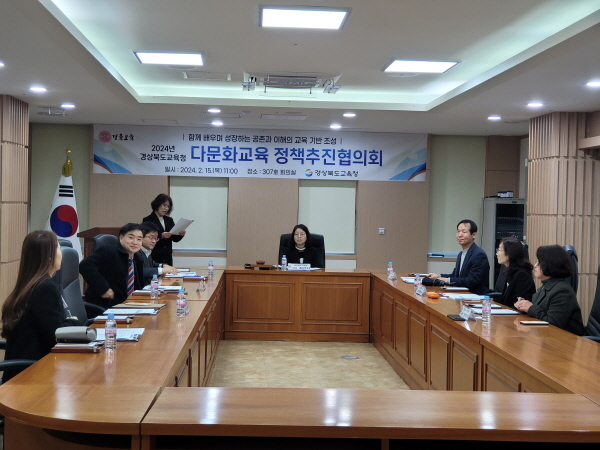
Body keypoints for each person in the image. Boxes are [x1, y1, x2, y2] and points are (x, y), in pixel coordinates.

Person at [1, 231, 78, 383]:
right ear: (49, 257)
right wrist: (72, 321)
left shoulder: (29, 284)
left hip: (22, 372)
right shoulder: (45, 288)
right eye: (58, 248)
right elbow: (55, 337)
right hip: (32, 375)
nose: (61, 254)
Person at [514, 245, 584, 335]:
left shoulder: (562, 291)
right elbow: (539, 311)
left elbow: (553, 324)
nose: (535, 265)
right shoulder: (547, 285)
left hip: (565, 340)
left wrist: (530, 308)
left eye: (539, 263)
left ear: (550, 265)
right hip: (547, 337)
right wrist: (523, 306)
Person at [79, 223, 145, 309]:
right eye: (131, 237)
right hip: (105, 306)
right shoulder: (109, 251)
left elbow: (137, 286)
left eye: (139, 239)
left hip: (127, 305)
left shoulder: (137, 258)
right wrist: (103, 288)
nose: (135, 242)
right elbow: (85, 265)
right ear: (121, 238)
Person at [427, 219, 489, 295]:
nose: (460, 235)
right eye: (458, 231)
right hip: (461, 294)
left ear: (473, 235)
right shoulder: (461, 254)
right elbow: (455, 275)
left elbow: (471, 281)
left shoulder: (479, 254)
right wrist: (437, 276)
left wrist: (444, 280)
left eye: (464, 232)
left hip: (474, 296)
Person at [142, 194, 185, 266]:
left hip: (167, 256)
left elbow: (175, 239)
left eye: (168, 206)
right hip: (155, 255)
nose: (166, 208)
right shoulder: (148, 220)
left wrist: (180, 234)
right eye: (164, 205)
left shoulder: (169, 220)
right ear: (158, 204)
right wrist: (161, 236)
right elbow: (146, 238)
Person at [495, 238, 536, 308]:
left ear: (508, 254)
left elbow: (521, 305)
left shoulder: (522, 276)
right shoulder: (510, 272)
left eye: (499, 250)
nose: (497, 253)